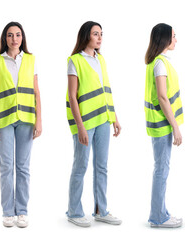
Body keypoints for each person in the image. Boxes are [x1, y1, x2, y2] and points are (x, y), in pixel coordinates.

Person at [65, 21, 122, 227]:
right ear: (86, 36)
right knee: (80, 165)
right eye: (95, 33)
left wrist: (114, 116)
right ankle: (74, 211)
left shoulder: (101, 59)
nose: (99, 37)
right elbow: (72, 96)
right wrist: (80, 127)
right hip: (85, 122)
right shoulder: (75, 60)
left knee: (102, 166)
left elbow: (106, 88)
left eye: (101, 34)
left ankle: (101, 210)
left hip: (103, 120)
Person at [0, 21, 42, 228]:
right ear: (5, 38)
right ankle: (7, 212)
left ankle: (22, 210)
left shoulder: (31, 60)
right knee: (6, 167)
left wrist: (40, 119)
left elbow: (37, 92)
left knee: (23, 167)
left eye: (18, 35)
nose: (14, 39)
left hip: (27, 119)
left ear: (22, 38)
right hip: (3, 120)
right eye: (10, 35)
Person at [144, 23, 184, 228]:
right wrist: (175, 127)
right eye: (174, 36)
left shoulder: (159, 62)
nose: (176, 40)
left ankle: (160, 211)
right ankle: (158, 217)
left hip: (161, 125)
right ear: (165, 39)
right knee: (161, 169)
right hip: (163, 125)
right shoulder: (160, 63)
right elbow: (162, 97)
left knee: (162, 168)